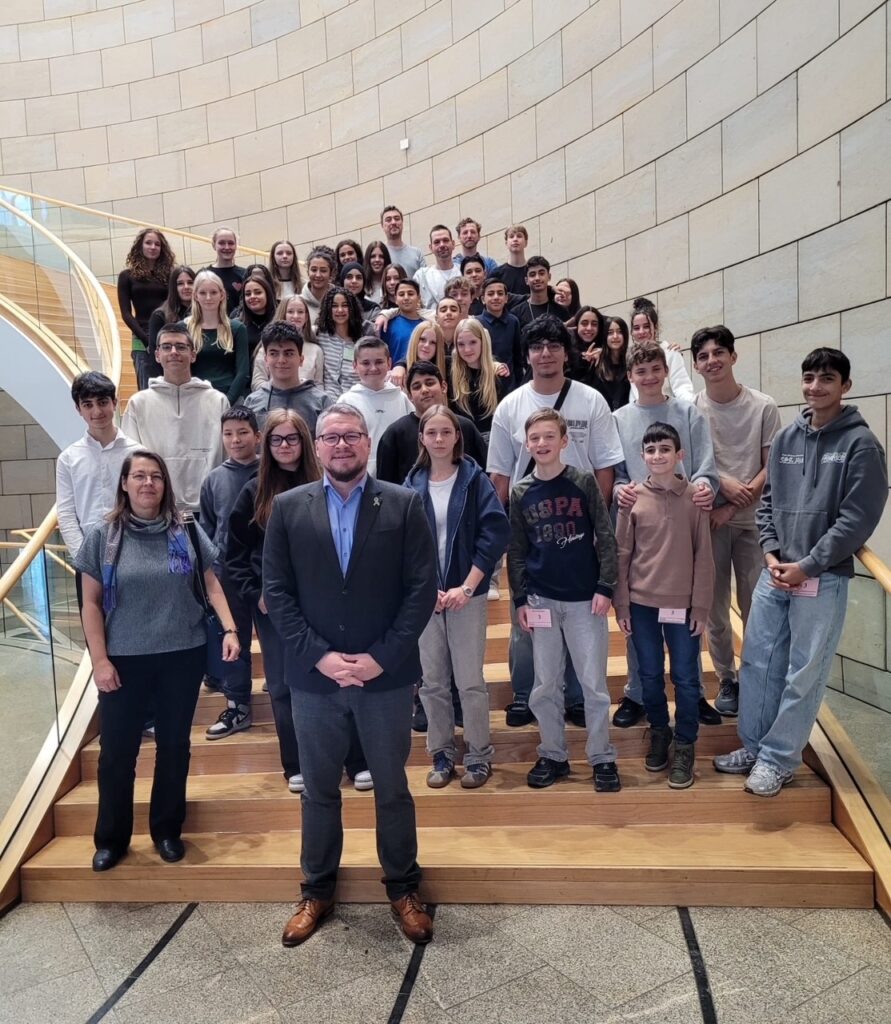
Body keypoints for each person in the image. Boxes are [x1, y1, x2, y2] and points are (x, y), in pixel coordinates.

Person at [263, 404, 438, 946]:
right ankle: (316, 890)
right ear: (317, 446)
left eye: (351, 436)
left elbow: (420, 590)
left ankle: (404, 889)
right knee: (318, 791)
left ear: (367, 442)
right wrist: (321, 657)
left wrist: (380, 657)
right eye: (331, 437)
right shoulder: (288, 508)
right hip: (315, 681)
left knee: (392, 788)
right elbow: (278, 592)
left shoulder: (405, 504)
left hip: (383, 678)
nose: (341, 445)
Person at [715, 348, 887, 796]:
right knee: (757, 663)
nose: (815, 387)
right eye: (809, 378)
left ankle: (779, 759)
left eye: (826, 379)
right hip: (775, 574)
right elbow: (768, 502)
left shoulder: (861, 444)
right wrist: (771, 554)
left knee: (802, 674)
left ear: (845, 386)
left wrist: (807, 565)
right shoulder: (789, 436)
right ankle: (754, 746)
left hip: (823, 577)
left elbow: (856, 519)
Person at [76, 450, 240, 871]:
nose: (148, 483)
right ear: (125, 484)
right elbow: (91, 603)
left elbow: (211, 583)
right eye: (139, 476)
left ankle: (167, 831)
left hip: (181, 656)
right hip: (123, 660)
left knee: (174, 747)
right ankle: (111, 839)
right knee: (116, 753)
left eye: (156, 477)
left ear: (165, 485)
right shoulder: (103, 535)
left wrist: (230, 629)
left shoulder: (184, 529)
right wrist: (99, 661)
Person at [487, 316, 625, 727]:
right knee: (528, 616)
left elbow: (604, 468)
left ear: (566, 352)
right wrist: (512, 531)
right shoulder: (510, 405)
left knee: (579, 616)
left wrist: (593, 522)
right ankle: (524, 693)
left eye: (552, 346)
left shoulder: (591, 400)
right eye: (536, 347)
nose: (544, 354)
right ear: (527, 355)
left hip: (579, 528)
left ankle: (578, 696)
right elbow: (500, 473)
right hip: (531, 530)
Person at [509, 409, 620, 792]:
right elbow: (517, 550)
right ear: (527, 443)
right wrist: (520, 598)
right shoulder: (521, 492)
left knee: (593, 684)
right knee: (545, 684)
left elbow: (605, 536)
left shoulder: (582, 482)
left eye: (548, 436)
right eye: (534, 438)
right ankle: (553, 753)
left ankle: (602, 757)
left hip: (583, 600)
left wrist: (606, 586)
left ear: (564, 441)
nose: (541, 443)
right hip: (541, 599)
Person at [611, 340, 720, 728]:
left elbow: (705, 464)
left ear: (666, 371)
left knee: (687, 623)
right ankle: (638, 692)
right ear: (631, 377)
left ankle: (694, 694)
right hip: (639, 521)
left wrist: (705, 486)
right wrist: (617, 488)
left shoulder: (687, 413)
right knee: (639, 624)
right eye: (641, 371)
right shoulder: (619, 418)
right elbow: (614, 471)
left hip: (682, 518)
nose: (649, 377)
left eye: (656, 369)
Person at [406, 405, 510, 789]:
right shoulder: (411, 484)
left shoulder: (474, 480)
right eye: (430, 432)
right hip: (427, 600)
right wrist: (423, 590)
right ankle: (441, 752)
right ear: (422, 438)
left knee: (469, 681)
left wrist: (468, 586)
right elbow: (403, 545)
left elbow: (494, 534)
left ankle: (479, 755)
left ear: (456, 437)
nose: (438, 439)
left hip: (469, 594)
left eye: (444, 432)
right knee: (432, 681)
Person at [614, 423, 715, 789]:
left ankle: (686, 742)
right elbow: (623, 553)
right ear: (642, 456)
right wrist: (621, 605)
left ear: (679, 455)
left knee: (687, 678)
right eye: (651, 450)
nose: (657, 456)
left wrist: (701, 606)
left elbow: (704, 555)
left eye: (665, 449)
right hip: (641, 605)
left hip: (684, 607)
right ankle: (660, 730)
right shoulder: (631, 498)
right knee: (650, 675)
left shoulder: (696, 499)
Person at [691, 326, 781, 717]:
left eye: (718, 353)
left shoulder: (763, 406)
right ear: (696, 365)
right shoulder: (692, 410)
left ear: (733, 356)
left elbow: (773, 465)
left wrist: (742, 495)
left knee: (754, 605)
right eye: (704, 356)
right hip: (711, 519)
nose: (712, 361)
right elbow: (694, 465)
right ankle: (726, 677)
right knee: (714, 607)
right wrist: (724, 491)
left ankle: (754, 676)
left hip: (755, 522)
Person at [122, 322, 229, 513]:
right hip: (158, 509)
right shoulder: (138, 403)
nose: (174, 352)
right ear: (157, 355)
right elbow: (131, 461)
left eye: (181, 347)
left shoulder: (217, 401)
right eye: (166, 347)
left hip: (207, 509)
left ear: (193, 354)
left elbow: (228, 457)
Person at [199, 407, 260, 734]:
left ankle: (286, 695)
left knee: (277, 638)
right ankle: (237, 705)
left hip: (267, 575)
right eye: (228, 434)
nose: (236, 440)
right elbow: (207, 531)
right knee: (231, 638)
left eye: (243, 432)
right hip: (228, 575)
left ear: (257, 435)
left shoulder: (273, 472)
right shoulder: (214, 479)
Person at [57, 372, 141, 605]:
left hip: (133, 555)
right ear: (78, 409)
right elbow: (66, 514)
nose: (97, 412)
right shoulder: (68, 459)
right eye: (88, 405)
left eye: (103, 402)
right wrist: (84, 557)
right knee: (94, 633)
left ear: (114, 403)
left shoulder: (137, 453)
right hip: (89, 559)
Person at [377, 361, 487, 485]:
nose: (424, 390)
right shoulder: (395, 434)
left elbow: (484, 476)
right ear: (409, 395)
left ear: (444, 386)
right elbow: (385, 488)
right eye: (417, 386)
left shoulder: (465, 427)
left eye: (430, 383)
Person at [244, 320, 332, 434]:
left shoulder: (321, 402)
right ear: (266, 360)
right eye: (274, 353)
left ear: (301, 359)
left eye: (288, 353)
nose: (281, 360)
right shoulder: (252, 402)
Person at [340, 337, 412, 475]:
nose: (373, 368)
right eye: (365, 363)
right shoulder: (346, 402)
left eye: (379, 362)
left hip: (399, 472)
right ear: (354, 365)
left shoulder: (401, 398)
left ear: (389, 363)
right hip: (360, 474)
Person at [117, 227, 175, 390]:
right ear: (140, 246)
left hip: (167, 336)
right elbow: (126, 313)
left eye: (157, 244)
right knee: (147, 389)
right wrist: (146, 340)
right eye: (148, 243)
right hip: (141, 338)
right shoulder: (126, 276)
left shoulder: (170, 275)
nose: (153, 247)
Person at [187, 269, 250, 404]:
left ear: (222, 295)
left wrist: (227, 401)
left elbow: (243, 372)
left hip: (230, 399)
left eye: (213, 292)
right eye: (203, 293)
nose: (208, 297)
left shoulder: (237, 328)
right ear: (195, 296)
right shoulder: (184, 329)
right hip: (195, 399)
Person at [451, 317, 508, 444]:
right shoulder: (451, 373)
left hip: (493, 440)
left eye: (473, 342)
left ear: (483, 342)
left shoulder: (498, 375)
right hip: (462, 442)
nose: (467, 349)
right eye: (461, 344)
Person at [251, 294, 324, 389]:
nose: (296, 316)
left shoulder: (316, 350)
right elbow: (257, 382)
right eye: (290, 312)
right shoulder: (267, 348)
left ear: (306, 317)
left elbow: (318, 384)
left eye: (300, 312)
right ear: (283, 314)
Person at [629, 296, 695, 401]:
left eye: (646, 326)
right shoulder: (630, 358)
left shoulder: (670, 352)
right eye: (636, 328)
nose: (641, 332)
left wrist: (690, 409)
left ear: (655, 328)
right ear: (632, 332)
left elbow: (682, 387)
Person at [316, 286, 372, 399]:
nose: (340, 310)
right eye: (334, 306)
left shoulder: (364, 338)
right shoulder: (318, 334)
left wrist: (386, 314)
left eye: (345, 305)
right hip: (328, 403)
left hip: (356, 400)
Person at [147, 265, 195, 379]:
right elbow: (155, 357)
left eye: (190, 282)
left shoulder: (204, 314)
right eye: (180, 283)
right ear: (173, 287)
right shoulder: (159, 316)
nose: (186, 287)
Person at [478, 277, 524, 388]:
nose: (496, 297)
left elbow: (518, 356)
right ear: (483, 299)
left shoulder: (513, 321)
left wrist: (519, 383)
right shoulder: (476, 323)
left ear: (506, 298)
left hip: (509, 384)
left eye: (500, 293)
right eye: (491, 294)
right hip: (485, 384)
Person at [590, 316, 631, 411]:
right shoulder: (596, 362)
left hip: (626, 418)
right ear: (605, 337)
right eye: (610, 333)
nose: (615, 336)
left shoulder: (631, 362)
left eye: (619, 332)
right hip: (601, 418)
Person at [234, 272, 276, 361]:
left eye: (258, 292)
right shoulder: (237, 325)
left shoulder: (279, 322)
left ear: (267, 294)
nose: (252, 297)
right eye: (248, 294)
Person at [381, 279, 425, 365]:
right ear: (396, 299)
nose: (406, 298)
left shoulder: (426, 325)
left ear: (419, 298)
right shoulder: (387, 325)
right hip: (395, 375)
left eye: (410, 294)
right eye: (401, 294)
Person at [414, 225, 459, 308]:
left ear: (453, 244)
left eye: (445, 240)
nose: (442, 245)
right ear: (431, 248)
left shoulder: (463, 271)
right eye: (437, 242)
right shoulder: (421, 276)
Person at [204, 226, 245, 314]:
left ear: (236, 246)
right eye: (221, 243)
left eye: (231, 243)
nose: (227, 247)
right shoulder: (204, 274)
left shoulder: (244, 274)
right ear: (214, 245)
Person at [380, 205, 424, 277]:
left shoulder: (417, 253)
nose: (393, 222)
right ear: (382, 225)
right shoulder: (378, 255)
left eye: (397, 219)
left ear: (402, 223)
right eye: (388, 220)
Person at [567, 304, 606, 385]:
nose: (589, 328)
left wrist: (605, 356)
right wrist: (583, 360)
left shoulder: (605, 346)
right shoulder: (566, 348)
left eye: (594, 324)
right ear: (576, 325)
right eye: (584, 323)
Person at [524, 257, 570, 322]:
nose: (537, 278)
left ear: (549, 277)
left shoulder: (561, 312)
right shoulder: (516, 314)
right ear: (526, 280)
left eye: (541, 273)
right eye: (532, 275)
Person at [301, 247, 337, 325]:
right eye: (314, 270)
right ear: (308, 272)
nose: (318, 275)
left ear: (331, 274)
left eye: (323, 270)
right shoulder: (299, 303)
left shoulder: (341, 301)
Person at [493, 223, 530, 295]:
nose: (515, 239)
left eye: (519, 236)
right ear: (506, 243)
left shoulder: (533, 271)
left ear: (526, 242)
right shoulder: (497, 274)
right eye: (511, 236)